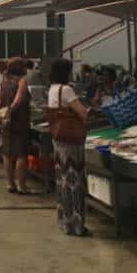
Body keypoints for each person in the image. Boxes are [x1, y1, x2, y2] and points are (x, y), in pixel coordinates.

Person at [47, 58, 90, 236]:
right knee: (74, 182)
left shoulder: (53, 89)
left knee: (62, 181)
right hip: (71, 141)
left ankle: (64, 221)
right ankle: (77, 225)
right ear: (65, 72)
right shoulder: (66, 89)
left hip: (58, 140)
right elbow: (82, 113)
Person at [0, 57, 32, 193]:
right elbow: (19, 100)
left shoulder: (4, 79)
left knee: (8, 152)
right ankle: (22, 186)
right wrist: (10, 111)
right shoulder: (22, 80)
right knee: (21, 153)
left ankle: (10, 184)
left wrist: (1, 111)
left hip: (5, 120)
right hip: (19, 119)